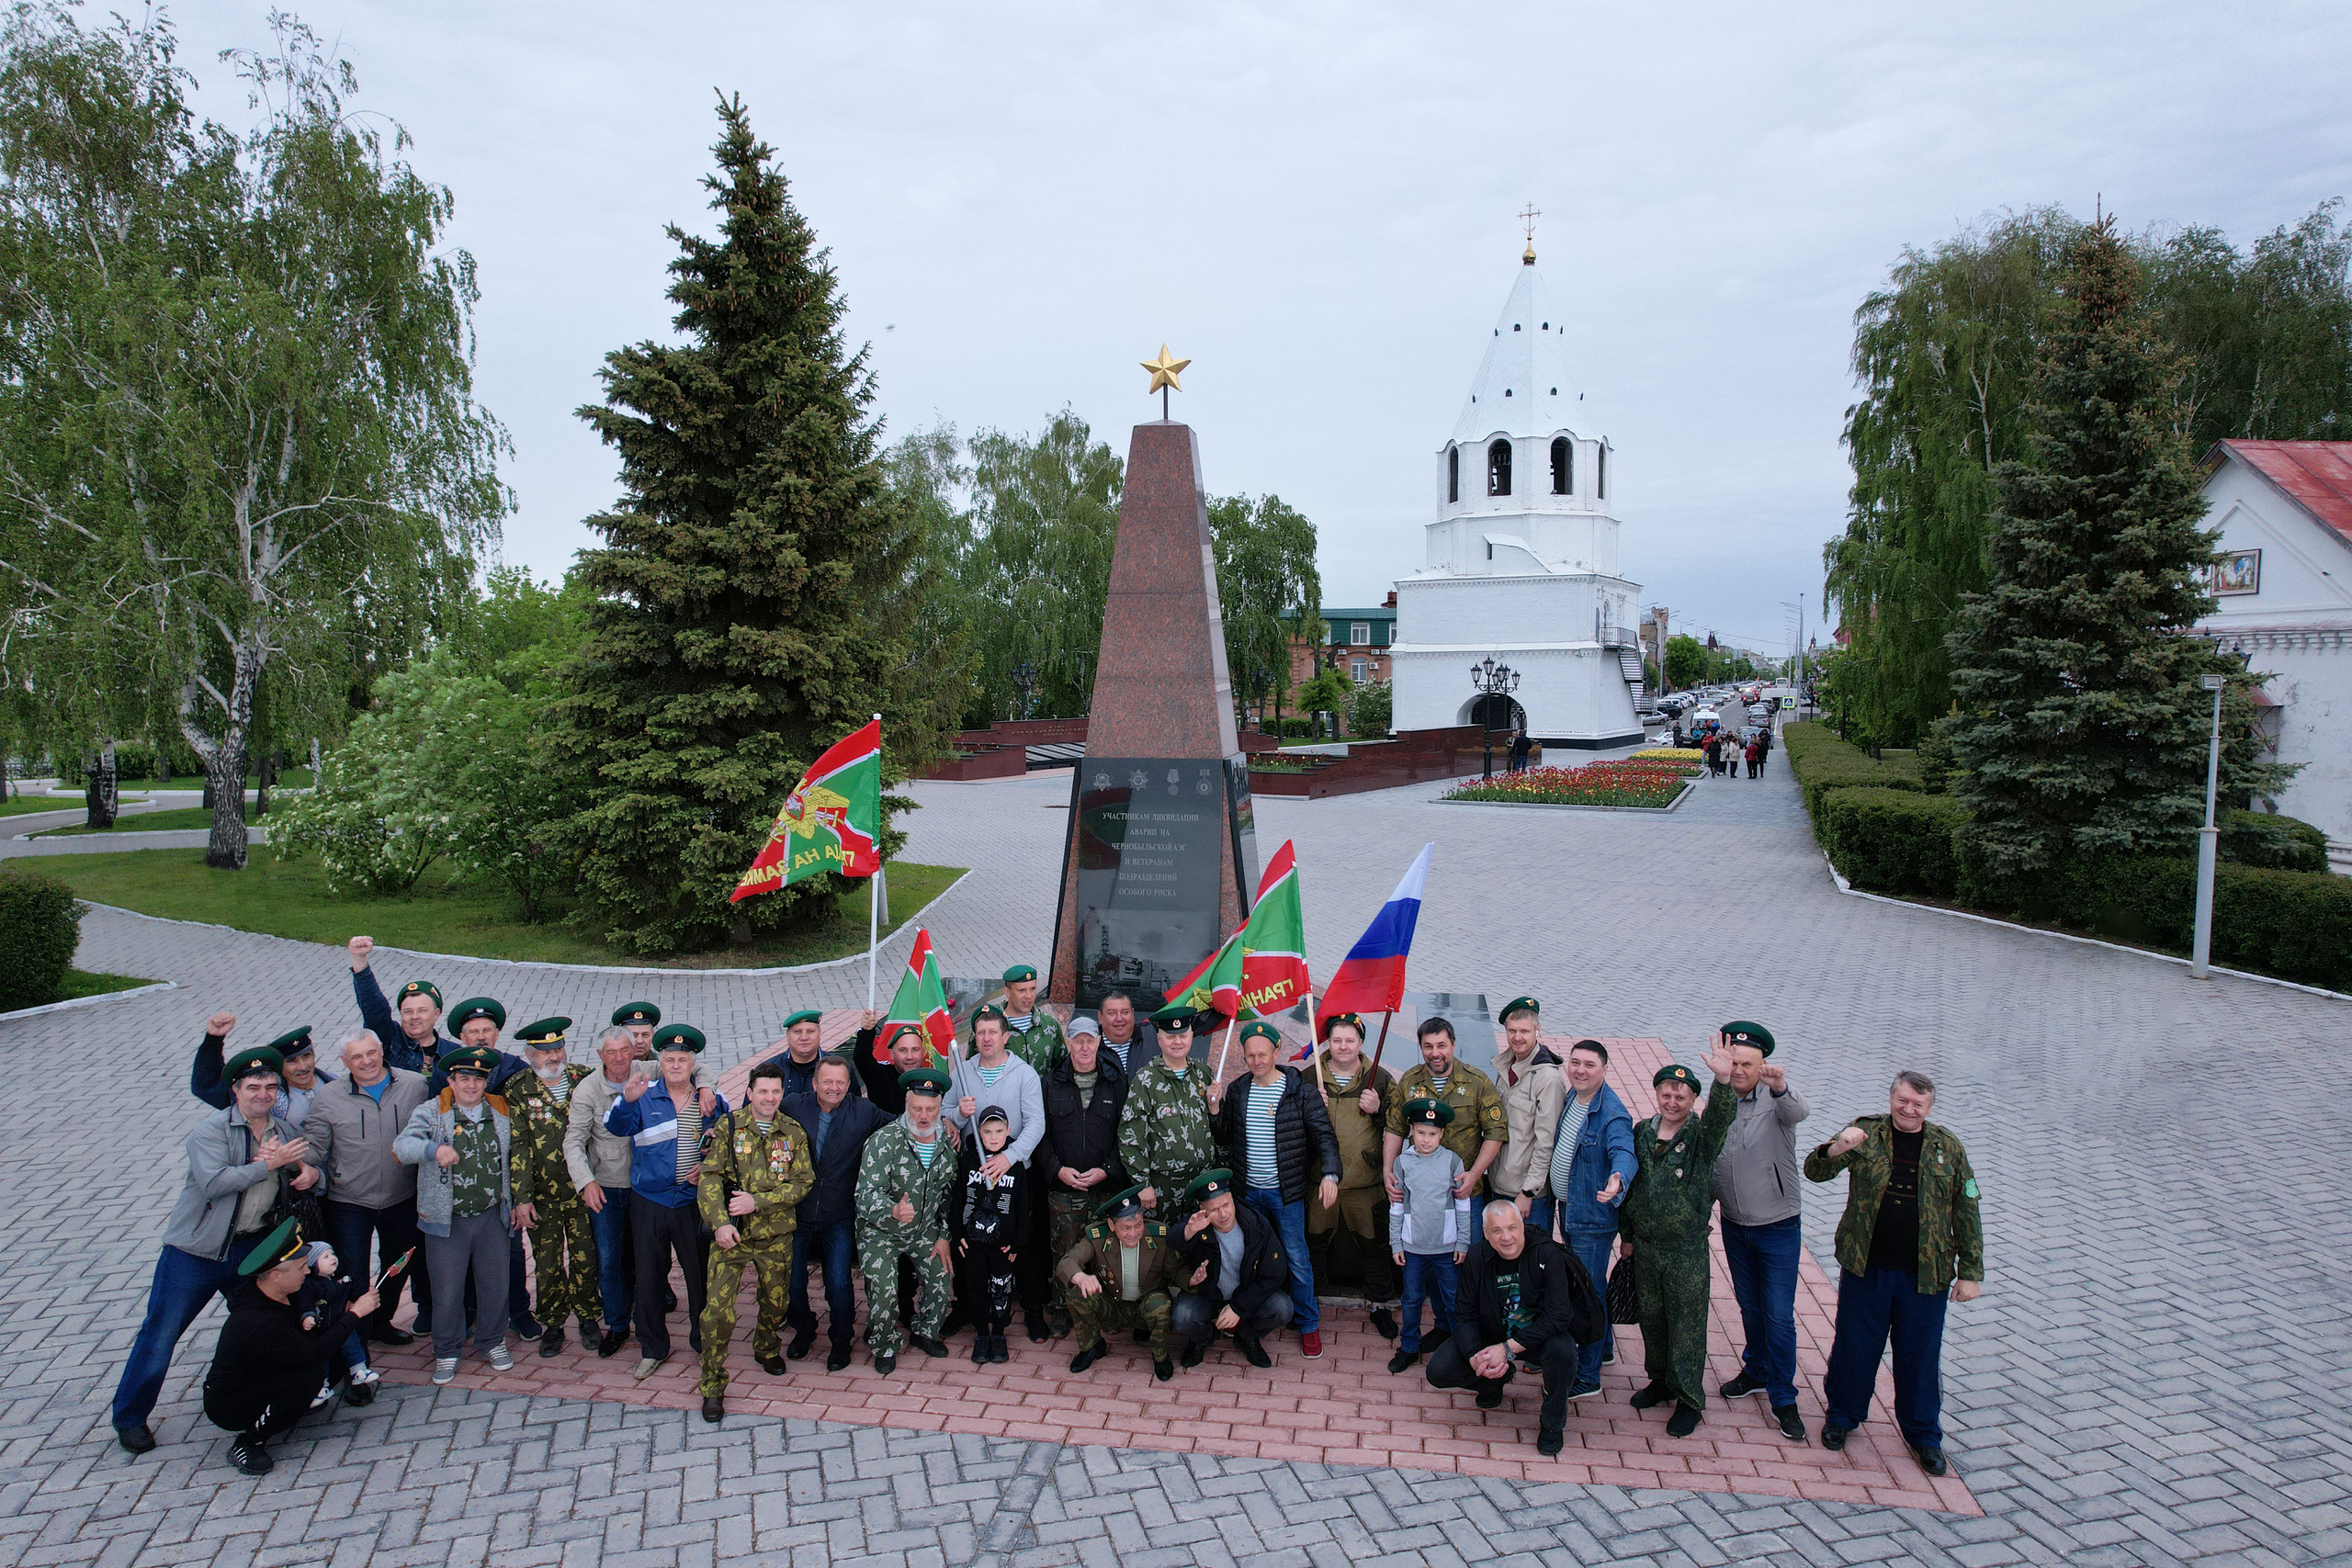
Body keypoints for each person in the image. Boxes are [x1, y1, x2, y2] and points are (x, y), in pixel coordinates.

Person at [112, 1044, 323, 1454]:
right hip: (194, 1254)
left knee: (273, 1322)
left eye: (269, 1086)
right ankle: (130, 1417)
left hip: (251, 1249)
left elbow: (314, 1171)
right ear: (235, 1091)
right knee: (160, 1335)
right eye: (253, 1087)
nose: (262, 1094)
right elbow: (214, 1183)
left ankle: (278, 1396)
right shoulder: (210, 1131)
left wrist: (310, 1172)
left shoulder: (285, 1131)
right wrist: (269, 1164)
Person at [1806, 1070, 1984, 1477]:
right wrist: (1836, 1148)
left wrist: (1970, 1273)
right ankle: (1842, 1417)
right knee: (1855, 1345)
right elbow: (1815, 1172)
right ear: (1891, 1099)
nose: (1908, 1109)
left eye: (1917, 1104)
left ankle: (1924, 1435)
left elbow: (1968, 1208)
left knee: (1919, 1356)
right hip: (1866, 1265)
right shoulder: (1864, 1133)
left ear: (1929, 1108)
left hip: (1927, 1275)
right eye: (1902, 1101)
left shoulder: (1948, 1147)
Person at [200, 1217, 381, 1475]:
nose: (307, 1272)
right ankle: (250, 1442)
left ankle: (294, 1403)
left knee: (339, 1353)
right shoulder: (258, 1321)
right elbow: (312, 1355)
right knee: (309, 1378)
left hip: (269, 1369)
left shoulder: (287, 1290)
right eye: (300, 1268)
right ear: (275, 1276)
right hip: (231, 1401)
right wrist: (354, 1316)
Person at [1619, 1043, 1737, 1437]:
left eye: (1681, 1096)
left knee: (1686, 1323)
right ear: (1657, 1095)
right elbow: (1633, 1189)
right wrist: (1628, 1236)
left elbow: (1722, 1116)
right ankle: (1661, 1381)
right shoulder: (1642, 1132)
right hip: (1647, 1246)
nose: (1672, 1101)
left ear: (1692, 1100)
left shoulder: (1701, 1137)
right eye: (1666, 1094)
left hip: (1684, 1249)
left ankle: (1689, 1399)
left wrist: (1723, 1080)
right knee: (1652, 1317)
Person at [1425, 1203, 1604, 1457]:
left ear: (1522, 1226)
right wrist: (1476, 1357)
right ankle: (1493, 1382)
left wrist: (1506, 1350)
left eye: (1512, 1228)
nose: (1506, 1237)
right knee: (1438, 1370)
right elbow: (1465, 1314)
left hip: (1537, 1337)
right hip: (1493, 1335)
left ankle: (1553, 1423)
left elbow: (1558, 1318)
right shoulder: (1477, 1257)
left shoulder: (1547, 1253)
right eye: (1497, 1231)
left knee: (1564, 1353)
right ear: (1486, 1234)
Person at [603, 1023, 729, 1380]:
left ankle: (702, 1342)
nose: (676, 1065)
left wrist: (705, 1165)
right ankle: (652, 1346)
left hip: (693, 1202)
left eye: (683, 1059)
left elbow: (727, 1142)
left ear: (693, 1064)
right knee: (648, 1278)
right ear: (660, 1061)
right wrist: (627, 1100)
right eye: (670, 1058)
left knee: (700, 1276)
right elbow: (617, 1128)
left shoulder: (711, 1100)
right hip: (649, 1200)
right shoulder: (642, 1094)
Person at [1208, 1021, 1340, 1357]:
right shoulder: (1238, 1090)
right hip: (1246, 1193)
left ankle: (1309, 1324)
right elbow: (1225, 1137)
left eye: (1262, 1054)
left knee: (1297, 1259)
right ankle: (1243, 1314)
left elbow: (1324, 1136)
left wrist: (1330, 1174)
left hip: (1287, 1194)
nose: (1256, 1061)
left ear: (1277, 1052)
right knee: (1244, 1256)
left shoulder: (1300, 1091)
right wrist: (1214, 1110)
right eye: (1250, 1055)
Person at [696, 1060, 816, 1422]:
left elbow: (803, 1182)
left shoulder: (792, 1132)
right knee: (717, 1313)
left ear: (783, 1094)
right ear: (749, 1093)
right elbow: (709, 1178)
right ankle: (713, 1385)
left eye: (775, 1092)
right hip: (731, 1236)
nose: (769, 1098)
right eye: (762, 1091)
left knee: (776, 1303)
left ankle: (766, 1348)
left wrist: (758, 1201)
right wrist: (718, 1223)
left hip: (775, 1236)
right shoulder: (729, 1127)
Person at [392, 1043, 517, 1384]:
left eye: (478, 1078)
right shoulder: (432, 1111)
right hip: (447, 1220)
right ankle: (446, 1350)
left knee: (495, 1285)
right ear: (450, 1080)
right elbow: (402, 1148)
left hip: (493, 1214)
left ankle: (492, 1341)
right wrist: (434, 1149)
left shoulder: (502, 1110)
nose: (472, 1086)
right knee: (447, 1291)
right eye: (464, 1078)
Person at [1710, 1021, 1811, 1441]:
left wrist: (1782, 1086)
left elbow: (1798, 1112)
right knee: (1750, 1306)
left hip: (1778, 1226)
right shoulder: (1719, 1100)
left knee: (1779, 1315)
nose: (1738, 1071)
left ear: (1762, 1064)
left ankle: (1784, 1397)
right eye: (1733, 1062)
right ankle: (1755, 1369)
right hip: (1735, 1224)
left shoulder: (1775, 1098)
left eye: (1747, 1064)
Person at [307, 1028, 430, 1350]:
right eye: (357, 1056)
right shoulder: (328, 1096)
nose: (366, 1061)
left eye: (371, 1053)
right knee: (352, 1273)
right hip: (349, 1200)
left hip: (401, 1196)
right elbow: (315, 1147)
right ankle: (355, 1344)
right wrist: (295, 1162)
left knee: (398, 1262)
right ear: (344, 1061)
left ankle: (381, 1321)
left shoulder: (415, 1086)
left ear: (381, 1051)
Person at [780, 1053, 891, 1371]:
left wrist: (945, 1123)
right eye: (827, 1082)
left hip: (838, 1214)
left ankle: (841, 1340)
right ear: (814, 1083)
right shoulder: (792, 1106)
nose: (833, 1088)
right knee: (792, 1280)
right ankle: (803, 1329)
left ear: (849, 1086)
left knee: (840, 1283)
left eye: (840, 1082)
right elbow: (756, 1116)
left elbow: (900, 1124)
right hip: (797, 1210)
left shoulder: (863, 1111)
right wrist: (719, 1129)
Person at [947, 1005, 1050, 1339]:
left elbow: (1036, 1123)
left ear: (1006, 1036)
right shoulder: (963, 1072)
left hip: (1013, 1174)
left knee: (1022, 1240)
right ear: (974, 1038)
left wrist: (1011, 1157)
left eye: (993, 1032)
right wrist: (959, 1115)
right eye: (981, 1033)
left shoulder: (1024, 1074)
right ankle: (965, 1306)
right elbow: (947, 1114)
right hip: (974, 1176)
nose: (987, 1038)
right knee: (969, 1242)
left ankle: (1033, 1310)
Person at [1546, 1037, 1637, 1398]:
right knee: (1591, 1286)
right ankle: (1606, 1349)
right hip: (1571, 1210)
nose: (1580, 1070)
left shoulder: (1611, 1112)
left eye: (1589, 1065)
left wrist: (1618, 1179)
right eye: (1575, 1063)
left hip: (1592, 1220)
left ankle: (1588, 1375)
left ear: (1605, 1069)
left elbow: (1623, 1152)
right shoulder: (1574, 1096)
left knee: (1588, 1294)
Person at [854, 1067, 959, 1375]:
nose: (923, 1116)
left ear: (940, 1108)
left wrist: (943, 1235)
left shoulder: (946, 1144)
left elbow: (948, 1196)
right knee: (884, 1293)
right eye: (917, 1108)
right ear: (906, 1105)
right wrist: (892, 1210)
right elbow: (864, 1195)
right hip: (880, 1232)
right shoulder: (884, 1140)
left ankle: (926, 1331)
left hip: (924, 1230)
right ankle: (884, 1343)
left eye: (930, 1109)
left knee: (940, 1278)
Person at [505, 1018, 600, 1358]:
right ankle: (554, 1323)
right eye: (545, 1052)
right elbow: (517, 1146)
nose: (553, 1056)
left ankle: (589, 1318)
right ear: (530, 1054)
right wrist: (522, 1197)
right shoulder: (518, 1088)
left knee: (586, 1257)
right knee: (546, 1263)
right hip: (543, 1194)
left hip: (584, 1189)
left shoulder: (584, 1077)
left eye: (558, 1048)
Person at [1036, 1015, 1130, 1339]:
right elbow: (1041, 1134)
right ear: (1068, 1044)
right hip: (1065, 1189)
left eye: (1091, 1039)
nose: (1085, 1046)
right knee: (1065, 1251)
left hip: (1105, 1189)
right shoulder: (1051, 1083)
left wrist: (1108, 1169)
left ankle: (1105, 1309)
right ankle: (1063, 1309)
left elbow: (1126, 1133)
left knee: (1106, 1252)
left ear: (1099, 1041)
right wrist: (1057, 1170)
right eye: (1078, 1040)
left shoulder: (1116, 1082)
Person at [1309, 1012, 1399, 1337]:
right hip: (1320, 1183)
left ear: (1361, 1043)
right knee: (1314, 1243)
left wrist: (1378, 1112)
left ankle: (1379, 1304)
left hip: (1365, 1183)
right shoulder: (1310, 1078)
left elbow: (1398, 1127)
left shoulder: (1381, 1080)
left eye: (1350, 1040)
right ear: (1327, 1042)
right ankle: (1310, 1301)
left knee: (1374, 1245)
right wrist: (1308, 1106)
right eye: (1336, 1040)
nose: (1343, 1047)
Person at [565, 1026, 650, 1358]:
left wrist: (705, 1086)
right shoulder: (587, 1090)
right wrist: (586, 1181)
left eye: (624, 1051)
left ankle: (647, 1321)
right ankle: (616, 1325)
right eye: (610, 1053)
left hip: (645, 1186)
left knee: (647, 1259)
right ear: (600, 1056)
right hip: (607, 1187)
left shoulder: (649, 1072)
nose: (618, 1059)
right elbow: (573, 1140)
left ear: (634, 1051)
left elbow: (693, 1065)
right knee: (610, 1261)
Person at [1382, 1017, 1506, 1231]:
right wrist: (1387, 1171)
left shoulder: (1477, 1082)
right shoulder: (1409, 1082)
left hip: (1463, 1190)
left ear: (1453, 1045)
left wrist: (1474, 1175)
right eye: (1428, 1046)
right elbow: (1395, 1128)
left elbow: (1495, 1133)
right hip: (1420, 1192)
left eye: (1442, 1045)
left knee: (1467, 1255)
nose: (1435, 1053)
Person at [1169, 1170, 1292, 1369]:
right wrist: (1190, 1230)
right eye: (1214, 1209)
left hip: (1244, 1294)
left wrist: (1238, 1308)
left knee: (1282, 1308)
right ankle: (1202, 1338)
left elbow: (1275, 1273)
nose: (1223, 1214)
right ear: (1202, 1209)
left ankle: (1246, 1336)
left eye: (1226, 1205)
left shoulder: (1256, 1224)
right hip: (1208, 1295)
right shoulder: (1198, 1223)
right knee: (1183, 1316)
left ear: (1232, 1199)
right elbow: (1172, 1239)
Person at [1385, 1099, 1471, 1374]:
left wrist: (1463, 1241)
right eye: (1421, 1132)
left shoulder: (1451, 1161)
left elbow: (1462, 1204)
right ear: (1411, 1130)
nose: (1426, 1140)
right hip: (1413, 1247)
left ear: (1442, 1135)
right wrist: (1396, 1242)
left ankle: (1462, 1348)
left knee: (1452, 1297)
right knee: (1411, 1298)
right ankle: (1409, 1346)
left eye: (1433, 1134)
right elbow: (1397, 1205)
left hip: (1446, 1247)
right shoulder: (1402, 1163)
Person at [1057, 1184, 1178, 1380]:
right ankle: (1092, 1347)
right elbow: (1067, 1262)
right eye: (1126, 1228)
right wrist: (1080, 1277)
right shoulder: (1097, 1237)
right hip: (1112, 1306)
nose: (1133, 1233)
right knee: (1076, 1292)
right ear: (1112, 1225)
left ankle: (1161, 1356)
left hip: (1144, 1307)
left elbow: (1177, 1271)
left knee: (1160, 1304)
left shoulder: (1160, 1237)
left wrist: (1193, 1279)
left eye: (1138, 1225)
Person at [1115, 1005, 1220, 1229]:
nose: (1177, 1042)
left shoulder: (1203, 1074)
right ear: (1159, 1040)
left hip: (1202, 1186)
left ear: (1191, 1037)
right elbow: (1130, 1135)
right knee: (1165, 1252)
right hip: (1164, 1190)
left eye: (1183, 1035)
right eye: (1170, 1037)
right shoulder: (1146, 1080)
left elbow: (1216, 1128)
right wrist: (1142, 1184)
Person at [952, 1106, 1029, 1363]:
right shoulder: (969, 1161)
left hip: (1002, 1245)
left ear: (1008, 1132)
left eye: (999, 1131)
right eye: (987, 1132)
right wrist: (958, 1231)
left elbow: (1023, 1205)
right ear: (979, 1133)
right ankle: (981, 1333)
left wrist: (1018, 1241)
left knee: (1001, 1288)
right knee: (975, 1287)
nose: (994, 1137)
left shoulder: (1015, 1166)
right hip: (974, 1243)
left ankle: (998, 1333)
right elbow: (958, 1198)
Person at [1490, 997, 1566, 1237]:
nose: (1517, 1037)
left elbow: (1546, 1143)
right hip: (1499, 1184)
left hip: (1527, 1197)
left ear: (1538, 1030)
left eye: (1524, 1030)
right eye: (1511, 1031)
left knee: (1533, 1264)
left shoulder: (1548, 1080)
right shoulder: (1505, 1066)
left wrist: (1528, 1192)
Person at [190, 1012, 336, 1125]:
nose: (303, 1066)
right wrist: (213, 1040)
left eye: (306, 1056)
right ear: (279, 1067)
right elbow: (206, 1086)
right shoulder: (266, 1095)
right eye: (292, 1061)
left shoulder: (337, 1082)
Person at [758, 1010, 848, 1100]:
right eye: (797, 1032)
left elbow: (853, 1105)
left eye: (810, 1031)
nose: (804, 1038)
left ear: (819, 1034)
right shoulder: (769, 1069)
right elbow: (751, 1109)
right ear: (788, 1035)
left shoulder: (841, 1068)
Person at [854, 1011, 933, 1112]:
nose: (909, 1057)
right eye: (902, 1050)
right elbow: (862, 1058)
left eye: (915, 1050)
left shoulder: (931, 1079)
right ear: (891, 1054)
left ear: (923, 1052)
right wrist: (867, 1031)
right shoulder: (879, 1076)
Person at [995, 963, 1065, 1072]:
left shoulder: (1049, 1025)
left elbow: (1062, 1068)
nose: (1029, 996)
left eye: (1032, 989)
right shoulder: (991, 1027)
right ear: (1007, 992)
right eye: (1022, 990)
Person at [1096, 989, 1159, 1078]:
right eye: (1112, 1013)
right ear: (1100, 1016)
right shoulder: (1089, 1046)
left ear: (1132, 1013)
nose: (1119, 1018)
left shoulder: (1153, 1035)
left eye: (1125, 1012)